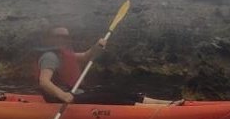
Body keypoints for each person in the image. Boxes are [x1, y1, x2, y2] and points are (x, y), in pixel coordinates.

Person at [37, 26, 178, 105]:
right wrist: (63, 95)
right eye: (59, 36)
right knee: (108, 96)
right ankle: (158, 110)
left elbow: (86, 55)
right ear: (51, 39)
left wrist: (96, 46)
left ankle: (162, 103)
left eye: (66, 37)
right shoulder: (50, 57)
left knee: (115, 90)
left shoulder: (65, 54)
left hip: (74, 93)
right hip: (60, 98)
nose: (63, 39)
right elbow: (44, 82)